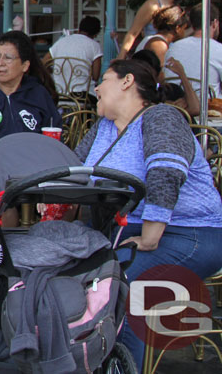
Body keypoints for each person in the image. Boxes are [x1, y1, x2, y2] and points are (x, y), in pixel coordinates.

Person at [75, 59, 222, 363]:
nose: (96, 88)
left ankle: (121, 367)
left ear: (127, 81)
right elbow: (71, 165)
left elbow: (165, 172)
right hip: (124, 231)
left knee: (125, 283)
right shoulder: (103, 127)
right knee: (66, 268)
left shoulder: (162, 117)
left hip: (191, 233)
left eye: (103, 79)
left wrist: (151, 236)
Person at [116, 0, 198, 59]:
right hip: (151, 58)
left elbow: (176, 37)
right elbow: (133, 32)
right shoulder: (153, 5)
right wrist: (121, 56)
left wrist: (197, 28)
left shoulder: (176, 7)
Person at [164, 3, 222, 98]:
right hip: (207, 108)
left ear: (192, 25)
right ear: (215, 23)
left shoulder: (173, 47)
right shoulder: (219, 49)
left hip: (174, 106)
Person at [44, 16, 103, 100]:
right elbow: (95, 76)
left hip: (59, 93)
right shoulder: (95, 46)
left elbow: (44, 62)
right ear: (96, 34)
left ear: (79, 28)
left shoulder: (61, 42)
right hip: (83, 95)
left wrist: (53, 71)